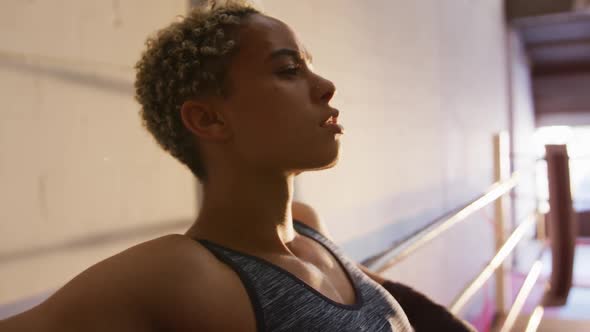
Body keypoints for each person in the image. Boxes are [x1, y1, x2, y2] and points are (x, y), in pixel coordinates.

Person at [0, 1, 475, 331]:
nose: (326, 85)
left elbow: (410, 313)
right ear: (209, 118)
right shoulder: (182, 273)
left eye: (309, 66)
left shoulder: (307, 229)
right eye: (289, 70)